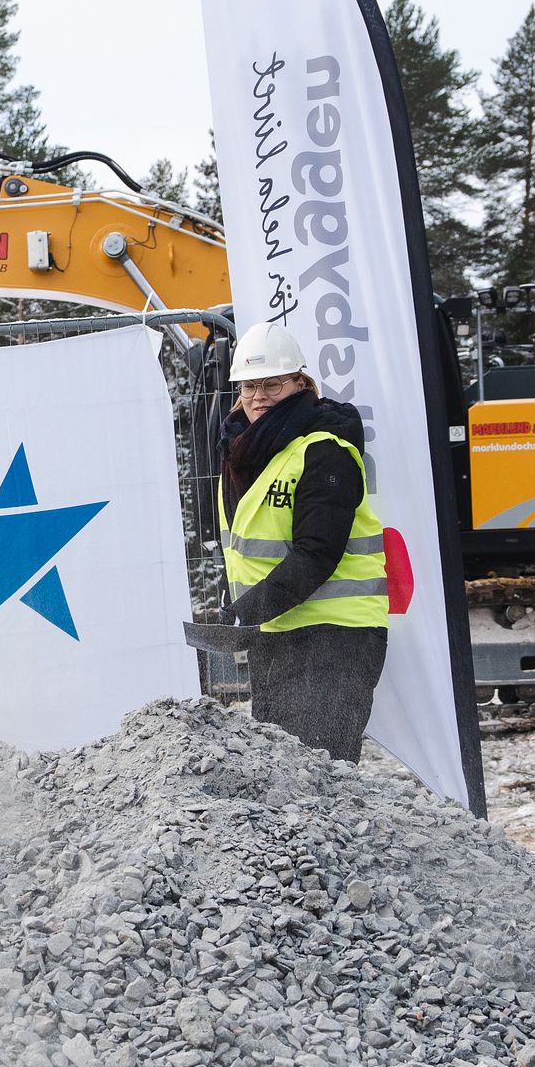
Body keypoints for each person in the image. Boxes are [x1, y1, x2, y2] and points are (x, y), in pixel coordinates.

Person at [212, 321, 389, 762]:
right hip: (277, 632)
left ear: (300, 383)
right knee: (285, 773)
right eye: (250, 385)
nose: (259, 396)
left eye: (273, 383)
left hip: (334, 635)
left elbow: (318, 553)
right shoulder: (241, 453)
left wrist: (245, 612)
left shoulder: (324, 451)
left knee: (319, 772)